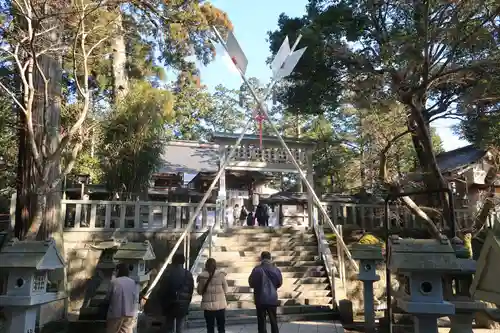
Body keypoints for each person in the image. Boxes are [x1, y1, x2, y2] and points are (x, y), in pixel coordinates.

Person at [158, 253, 194, 333]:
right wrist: (186, 302)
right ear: (183, 262)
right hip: (182, 304)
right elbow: (190, 290)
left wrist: (161, 302)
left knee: (169, 326)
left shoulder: (168, 273)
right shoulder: (188, 274)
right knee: (179, 326)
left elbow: (162, 289)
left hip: (170, 304)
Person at [248, 251, 283, 333]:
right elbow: (280, 283)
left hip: (260, 299)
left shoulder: (257, 269)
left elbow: (251, 283)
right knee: (273, 321)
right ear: (270, 258)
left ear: (261, 258)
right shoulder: (276, 269)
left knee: (261, 322)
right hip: (272, 298)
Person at [197, 258, 228, 333]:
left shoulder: (202, 277)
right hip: (220, 306)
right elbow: (226, 289)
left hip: (208, 308)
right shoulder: (221, 275)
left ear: (206, 265)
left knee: (210, 328)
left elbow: (200, 291)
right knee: (221, 328)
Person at [106, 263, 139, 333]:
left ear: (118, 271)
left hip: (116, 313)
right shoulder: (132, 282)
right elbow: (135, 298)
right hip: (130, 313)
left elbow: (108, 297)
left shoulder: (114, 282)